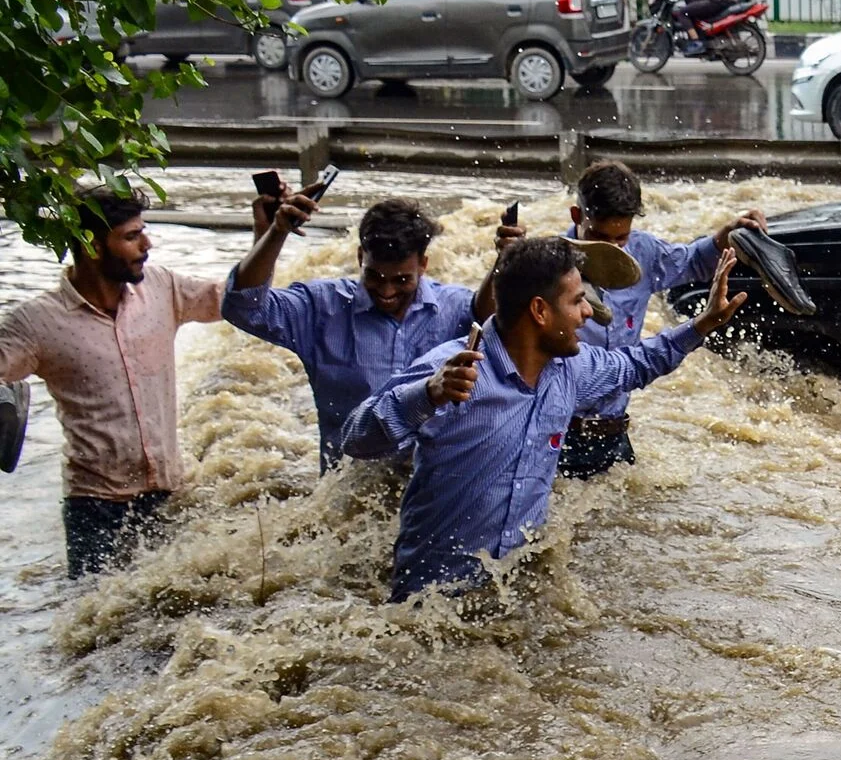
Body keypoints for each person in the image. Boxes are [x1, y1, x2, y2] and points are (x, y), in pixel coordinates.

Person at [340, 236, 747, 602]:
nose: (588, 313)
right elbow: (356, 439)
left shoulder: (571, 369)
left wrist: (703, 324)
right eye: (576, 301)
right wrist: (427, 394)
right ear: (539, 310)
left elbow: (635, 363)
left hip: (514, 593)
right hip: (431, 603)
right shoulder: (454, 371)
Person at [0, 185, 224, 577]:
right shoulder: (36, 324)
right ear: (92, 244)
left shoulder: (161, 289)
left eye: (143, 232)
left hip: (169, 495)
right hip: (95, 509)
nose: (147, 244)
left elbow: (238, 300)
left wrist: (271, 233)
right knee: (97, 628)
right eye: (132, 236)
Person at [499, 160, 766, 479]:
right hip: (553, 432)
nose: (612, 250)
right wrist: (503, 265)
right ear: (577, 216)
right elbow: (504, 329)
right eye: (600, 238)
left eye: (620, 240)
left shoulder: (645, 252)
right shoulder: (547, 265)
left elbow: (692, 261)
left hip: (613, 431)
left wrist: (727, 235)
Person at [223, 189, 514, 471]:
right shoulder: (322, 310)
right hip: (348, 486)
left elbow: (493, 323)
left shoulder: (454, 308)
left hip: (431, 483)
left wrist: (505, 261)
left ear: (424, 265)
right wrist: (276, 232)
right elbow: (244, 308)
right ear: (361, 257)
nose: (386, 291)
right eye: (374, 277)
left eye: (401, 280)